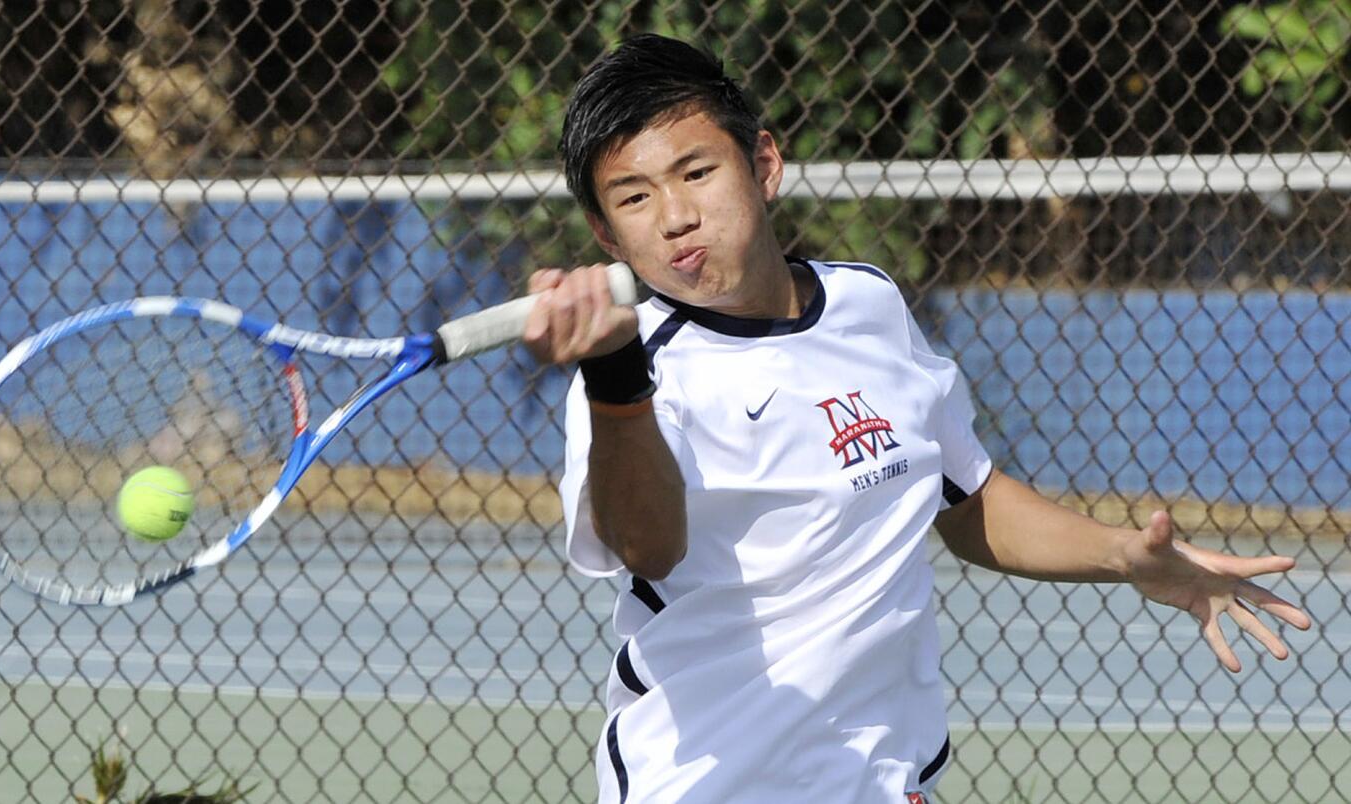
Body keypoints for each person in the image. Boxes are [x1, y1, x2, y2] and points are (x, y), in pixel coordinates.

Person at [521, 33, 1312, 804]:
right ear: (604, 231)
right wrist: (617, 377)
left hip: (883, 778)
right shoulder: (634, 372)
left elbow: (966, 500)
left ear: (763, 165)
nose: (675, 216)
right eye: (634, 197)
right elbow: (648, 549)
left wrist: (1123, 557)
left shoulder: (866, 302)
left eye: (697, 171)